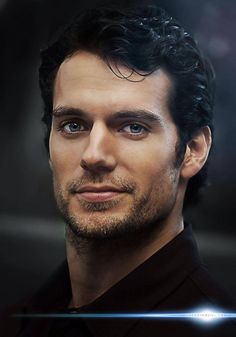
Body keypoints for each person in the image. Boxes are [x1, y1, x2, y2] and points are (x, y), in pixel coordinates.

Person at [1, 4, 235, 337]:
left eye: (133, 127)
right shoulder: (23, 319)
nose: (94, 155)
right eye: (72, 125)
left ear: (193, 151)